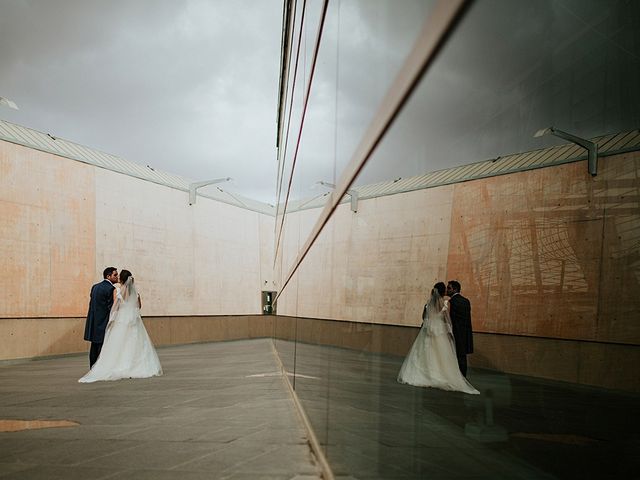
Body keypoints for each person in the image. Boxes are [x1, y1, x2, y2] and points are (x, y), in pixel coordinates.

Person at [79, 270, 163, 383]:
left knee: (118, 343)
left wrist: (112, 319)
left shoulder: (116, 290)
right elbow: (138, 306)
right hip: (133, 320)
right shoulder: (135, 293)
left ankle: (103, 366)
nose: (117, 277)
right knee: (134, 342)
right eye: (115, 274)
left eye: (118, 275)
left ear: (122, 280)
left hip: (121, 320)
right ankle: (135, 365)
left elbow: (115, 307)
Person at [397, 282, 479, 394]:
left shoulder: (429, 303)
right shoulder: (446, 303)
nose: (447, 290)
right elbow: (447, 319)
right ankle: (451, 375)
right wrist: (448, 330)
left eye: (448, 288)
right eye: (446, 289)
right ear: (442, 292)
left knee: (426, 353)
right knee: (441, 355)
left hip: (429, 330)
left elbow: (424, 317)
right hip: (440, 331)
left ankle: (426, 374)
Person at [83, 267, 118, 368]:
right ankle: (100, 368)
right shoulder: (111, 289)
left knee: (94, 346)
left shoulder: (95, 287)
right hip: (104, 321)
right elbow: (111, 307)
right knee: (102, 346)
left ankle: (92, 367)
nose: (117, 277)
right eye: (115, 275)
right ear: (108, 276)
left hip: (93, 320)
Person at [447, 280, 473, 377]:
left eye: (449, 288)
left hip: (455, 333)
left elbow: (450, 319)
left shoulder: (452, 302)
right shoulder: (466, 301)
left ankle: (455, 376)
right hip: (465, 333)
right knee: (462, 357)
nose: (447, 290)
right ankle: (463, 377)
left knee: (454, 355)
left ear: (455, 289)